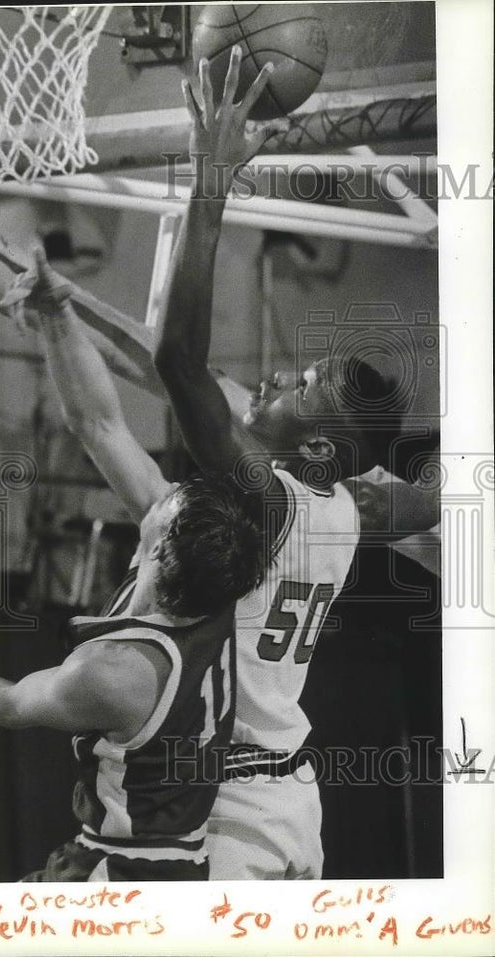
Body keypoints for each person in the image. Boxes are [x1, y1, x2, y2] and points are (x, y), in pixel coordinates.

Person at [152, 47, 439, 879]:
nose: (276, 376)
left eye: (299, 386)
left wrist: (212, 179)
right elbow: (426, 500)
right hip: (295, 795)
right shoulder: (349, 511)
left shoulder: (267, 496)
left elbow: (178, 360)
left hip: (237, 800)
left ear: (315, 446)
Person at [0, 266, 269, 880]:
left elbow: (9, 705)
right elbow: (99, 423)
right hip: (170, 854)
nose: (157, 491)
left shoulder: (117, 673)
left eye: (166, 502)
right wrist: (58, 314)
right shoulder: (216, 583)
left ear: (157, 545)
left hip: (127, 874)